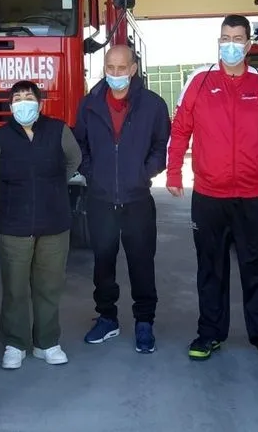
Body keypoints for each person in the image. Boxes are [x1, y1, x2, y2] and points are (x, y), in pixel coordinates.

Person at [165, 14, 258, 369]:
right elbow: (181, 129)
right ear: (218, 42)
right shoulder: (200, 79)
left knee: (257, 269)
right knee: (211, 268)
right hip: (209, 194)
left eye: (238, 38)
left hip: (253, 196)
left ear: (249, 43)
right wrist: (174, 170)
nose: (231, 44)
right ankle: (210, 333)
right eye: (225, 38)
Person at [73, 45, 171, 354]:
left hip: (137, 199)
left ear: (133, 69)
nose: (115, 74)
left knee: (141, 263)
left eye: (121, 67)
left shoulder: (153, 105)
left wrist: (143, 174)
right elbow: (79, 146)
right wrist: (92, 174)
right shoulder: (89, 105)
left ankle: (144, 322)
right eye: (110, 67)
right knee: (103, 263)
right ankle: (107, 318)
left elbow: (161, 146)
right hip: (100, 199)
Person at [0, 81, 82, 369]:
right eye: (18, 98)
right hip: (13, 223)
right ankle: (15, 344)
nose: (23, 103)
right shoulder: (2, 136)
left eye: (29, 98)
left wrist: (50, 184)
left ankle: (47, 342)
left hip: (54, 220)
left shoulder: (58, 130)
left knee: (48, 286)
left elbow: (74, 159)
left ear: (40, 104)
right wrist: (21, 187)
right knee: (15, 288)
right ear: (11, 105)